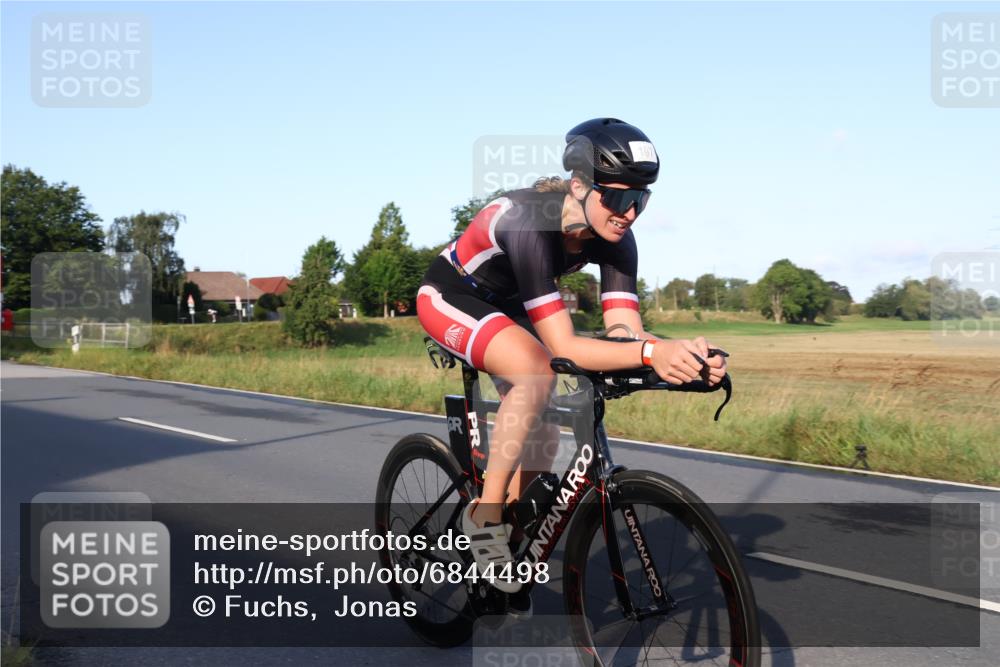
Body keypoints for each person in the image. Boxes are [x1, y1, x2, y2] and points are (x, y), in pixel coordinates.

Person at [416, 118, 727, 609]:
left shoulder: (616, 237)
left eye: (641, 199)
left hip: (512, 304)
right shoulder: (529, 221)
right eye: (618, 198)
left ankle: (507, 544)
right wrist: (651, 353)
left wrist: (682, 354)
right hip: (451, 295)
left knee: (542, 420)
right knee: (538, 370)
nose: (629, 213)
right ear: (579, 186)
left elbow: (625, 331)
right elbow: (564, 345)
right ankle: (484, 516)